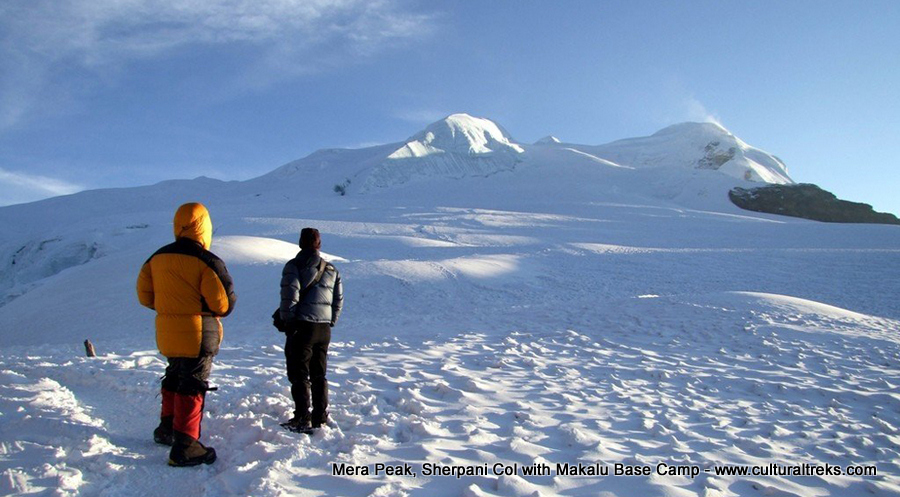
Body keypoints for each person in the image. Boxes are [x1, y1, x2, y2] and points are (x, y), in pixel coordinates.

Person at [137, 202, 236, 466]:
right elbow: (223, 304)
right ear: (204, 226)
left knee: (174, 375)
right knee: (192, 383)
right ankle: (186, 445)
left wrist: (171, 308)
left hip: (168, 331)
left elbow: (144, 296)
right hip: (199, 331)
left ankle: (167, 429)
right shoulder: (207, 261)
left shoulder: (156, 258)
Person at [279, 227, 343, 432]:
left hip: (302, 327)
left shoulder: (294, 266)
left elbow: (290, 297)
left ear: (300, 243)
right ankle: (320, 416)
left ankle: (302, 416)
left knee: (299, 373)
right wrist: (330, 321)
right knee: (319, 373)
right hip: (323, 329)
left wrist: (288, 322)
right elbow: (338, 300)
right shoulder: (331, 269)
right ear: (319, 244)